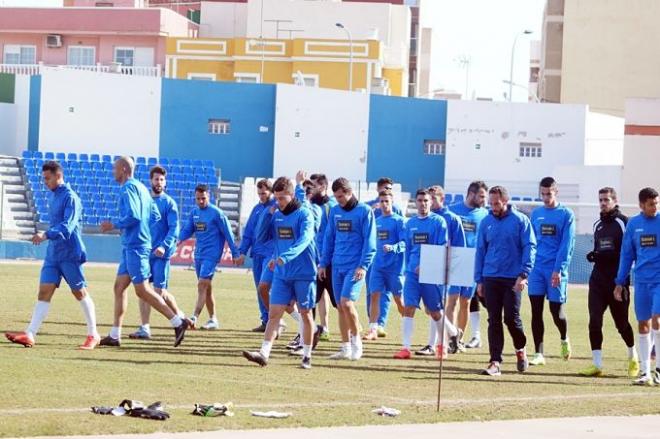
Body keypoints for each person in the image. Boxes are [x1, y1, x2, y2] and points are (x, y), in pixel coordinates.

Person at [5, 161, 99, 350]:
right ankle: (30, 334)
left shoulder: (70, 197)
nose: (45, 182)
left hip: (70, 253)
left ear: (58, 176)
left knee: (79, 292)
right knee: (44, 291)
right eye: (44, 179)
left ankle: (93, 334)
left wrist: (46, 234)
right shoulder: (54, 196)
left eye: (47, 178)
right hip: (53, 254)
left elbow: (68, 226)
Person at [98, 157, 187, 347]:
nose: (113, 171)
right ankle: (115, 335)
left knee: (143, 290)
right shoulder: (142, 189)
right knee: (119, 287)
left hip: (136, 245)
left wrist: (113, 225)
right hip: (132, 245)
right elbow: (153, 215)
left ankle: (178, 322)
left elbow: (135, 216)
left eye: (115, 168)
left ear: (123, 169)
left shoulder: (128, 188)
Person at [242, 177, 318, 369]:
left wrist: (285, 256)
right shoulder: (275, 214)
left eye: (282, 198)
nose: (279, 202)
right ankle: (264, 353)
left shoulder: (304, 214)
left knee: (306, 313)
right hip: (282, 273)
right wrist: (267, 215)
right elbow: (261, 238)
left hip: (303, 272)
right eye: (276, 198)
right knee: (274, 313)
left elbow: (305, 240)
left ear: (292, 196)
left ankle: (307, 356)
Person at [475, 185, 535, 376]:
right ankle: (495, 362)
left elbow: (530, 247)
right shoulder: (486, 222)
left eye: (497, 203)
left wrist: (524, 274)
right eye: (491, 203)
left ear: (505, 202)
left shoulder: (520, 221)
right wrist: (479, 280)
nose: (493, 206)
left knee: (511, 318)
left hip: (513, 279)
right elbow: (480, 251)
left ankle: (520, 350)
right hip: (490, 276)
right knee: (494, 319)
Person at [579, 187, 638, 378]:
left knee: (621, 323)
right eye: (601, 200)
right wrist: (595, 255)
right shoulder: (597, 225)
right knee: (594, 321)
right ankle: (597, 364)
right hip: (597, 281)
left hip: (617, 281)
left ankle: (633, 356)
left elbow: (627, 252)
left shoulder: (623, 222)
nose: (603, 203)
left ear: (614, 200)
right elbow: (600, 250)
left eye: (606, 200)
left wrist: (612, 261)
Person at [393, 189, 459, 360]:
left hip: (431, 274)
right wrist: (409, 269)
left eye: (426, 201)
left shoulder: (439, 222)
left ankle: (442, 344)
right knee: (408, 308)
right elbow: (408, 248)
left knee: (434, 311)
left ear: (431, 202)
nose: (422, 204)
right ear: (416, 202)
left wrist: (427, 266)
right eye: (420, 200)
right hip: (412, 274)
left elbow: (441, 248)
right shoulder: (410, 223)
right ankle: (405, 348)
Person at [320, 178, 376, 361]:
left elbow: (370, 241)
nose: (339, 200)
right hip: (337, 265)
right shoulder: (335, 211)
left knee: (347, 303)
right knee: (340, 308)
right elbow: (329, 239)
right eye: (336, 197)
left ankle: (357, 342)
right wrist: (323, 263)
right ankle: (345, 348)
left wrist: (363, 265)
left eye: (341, 196)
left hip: (355, 266)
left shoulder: (364, 212)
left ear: (349, 192)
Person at [129, 165, 185, 340]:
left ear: (165, 182)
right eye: (156, 179)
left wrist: (163, 245)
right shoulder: (145, 200)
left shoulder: (169, 203)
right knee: (144, 289)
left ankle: (179, 317)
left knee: (160, 292)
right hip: (145, 252)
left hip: (161, 254)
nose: (159, 182)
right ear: (151, 181)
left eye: (162, 179)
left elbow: (174, 228)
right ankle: (145, 328)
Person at [527, 177, 576, 366]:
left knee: (557, 312)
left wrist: (559, 269)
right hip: (537, 269)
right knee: (536, 311)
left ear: (556, 192)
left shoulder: (566, 214)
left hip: (555, 269)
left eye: (549, 194)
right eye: (543, 194)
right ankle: (539, 353)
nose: (546, 197)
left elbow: (567, 245)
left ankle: (564, 338)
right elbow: (531, 241)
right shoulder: (536, 213)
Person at [615, 187, 660, 385]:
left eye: (657, 203)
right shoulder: (634, 224)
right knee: (643, 324)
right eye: (651, 204)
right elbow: (627, 254)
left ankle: (658, 369)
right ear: (641, 205)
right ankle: (645, 372)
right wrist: (619, 281)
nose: (655, 207)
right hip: (641, 282)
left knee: (657, 320)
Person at [179, 184, 239, 330]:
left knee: (201, 285)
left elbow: (228, 234)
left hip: (211, 255)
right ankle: (213, 320)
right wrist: (177, 240)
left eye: (203, 198)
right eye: (198, 199)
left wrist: (235, 253)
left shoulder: (217, 213)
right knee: (207, 288)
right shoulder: (194, 213)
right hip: (198, 254)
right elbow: (188, 229)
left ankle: (194, 317)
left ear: (209, 196)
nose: (200, 201)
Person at [416, 185, 465, 355]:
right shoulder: (426, 219)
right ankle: (451, 333)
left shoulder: (451, 219)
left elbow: (459, 247)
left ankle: (434, 344)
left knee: (435, 306)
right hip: (426, 265)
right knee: (431, 307)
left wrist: (453, 269)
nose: (428, 203)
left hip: (443, 267)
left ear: (441, 199)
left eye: (433, 199)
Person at [449, 181, 489, 349]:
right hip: (456, 261)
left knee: (466, 302)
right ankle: (449, 338)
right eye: (481, 196)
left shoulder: (485, 215)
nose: (484, 200)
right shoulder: (452, 210)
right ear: (471, 194)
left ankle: (459, 339)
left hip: (474, 263)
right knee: (452, 301)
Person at [363, 190, 406, 341]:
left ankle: (408, 326)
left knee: (398, 299)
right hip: (377, 267)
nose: (384, 204)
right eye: (382, 201)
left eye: (387, 201)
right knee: (374, 295)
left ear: (392, 202)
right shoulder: (377, 221)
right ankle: (372, 329)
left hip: (394, 268)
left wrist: (394, 247)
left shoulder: (399, 221)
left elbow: (405, 243)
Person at [236, 179, 277, 332]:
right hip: (257, 254)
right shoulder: (256, 209)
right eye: (259, 193)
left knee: (265, 287)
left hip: (270, 253)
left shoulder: (276, 208)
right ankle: (266, 320)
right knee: (259, 289)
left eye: (264, 193)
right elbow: (248, 234)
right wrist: (242, 253)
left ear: (271, 192)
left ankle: (275, 320)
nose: (261, 196)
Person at [307, 172, 338, 341]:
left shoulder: (331, 206)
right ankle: (314, 330)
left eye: (313, 186)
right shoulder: (309, 205)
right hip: (313, 259)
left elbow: (332, 234)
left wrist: (327, 259)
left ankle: (352, 331)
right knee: (313, 297)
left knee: (340, 301)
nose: (310, 189)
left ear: (323, 187)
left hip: (329, 260)